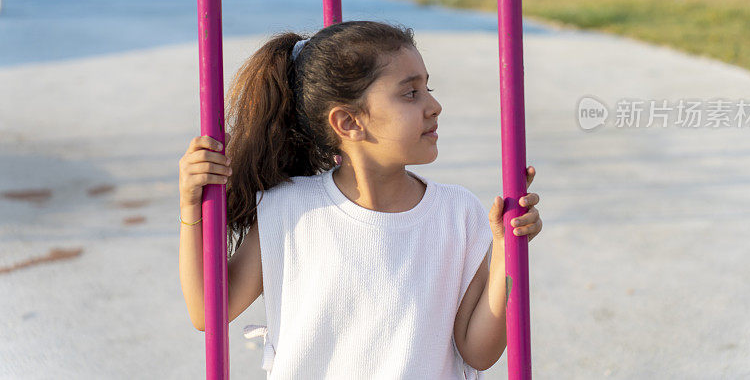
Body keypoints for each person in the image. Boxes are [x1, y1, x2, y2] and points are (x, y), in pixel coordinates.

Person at [178, 20, 542, 378]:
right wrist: (190, 205)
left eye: (428, 88)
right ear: (348, 122)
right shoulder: (289, 210)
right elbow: (208, 312)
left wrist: (507, 249)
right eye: (410, 93)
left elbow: (479, 353)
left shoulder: (458, 212)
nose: (434, 106)